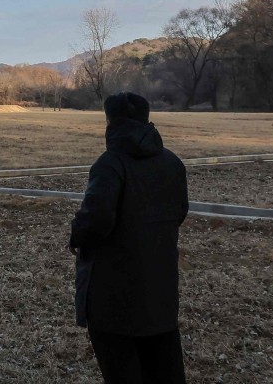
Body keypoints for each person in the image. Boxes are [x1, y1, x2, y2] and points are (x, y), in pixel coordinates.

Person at [69, 92, 189, 384]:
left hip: (113, 296)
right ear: (147, 120)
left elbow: (95, 218)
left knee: (122, 370)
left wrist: (77, 235)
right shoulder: (173, 163)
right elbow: (180, 212)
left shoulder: (110, 164)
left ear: (110, 121)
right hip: (161, 288)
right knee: (164, 368)